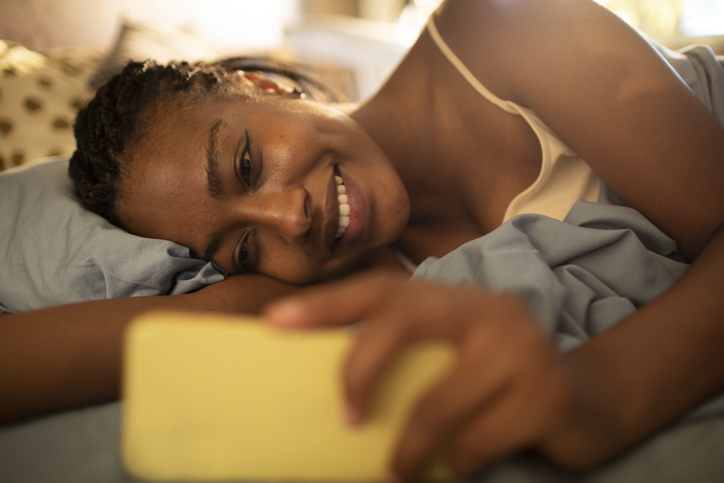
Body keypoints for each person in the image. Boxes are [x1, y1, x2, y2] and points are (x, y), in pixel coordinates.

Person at [2, 0, 724, 480]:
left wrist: (598, 392)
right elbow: (120, 341)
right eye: (244, 247)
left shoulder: (505, 27)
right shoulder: (320, 274)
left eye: (247, 164)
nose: (288, 221)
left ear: (266, 85)